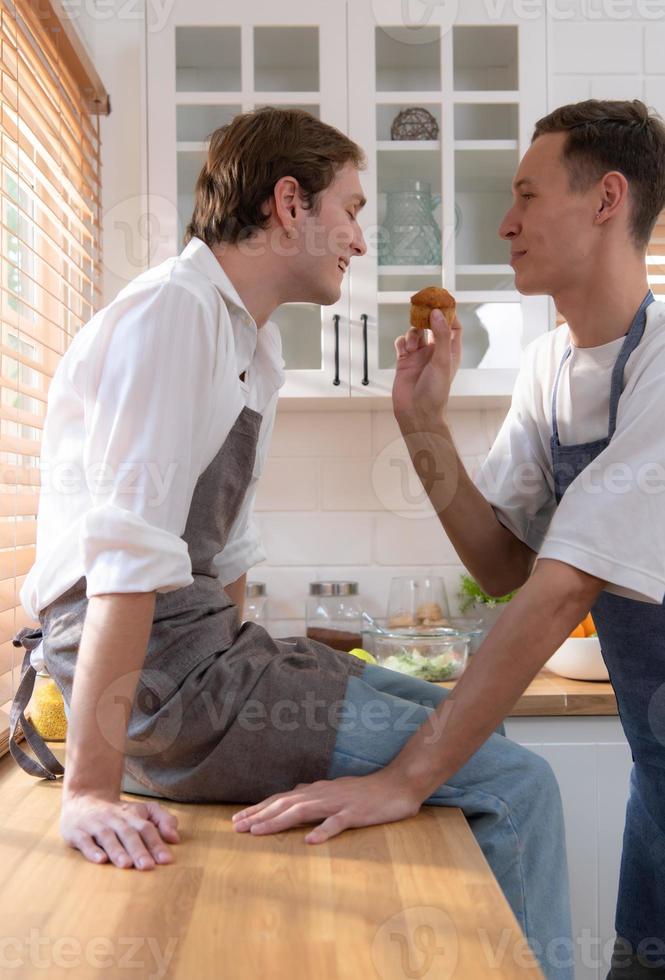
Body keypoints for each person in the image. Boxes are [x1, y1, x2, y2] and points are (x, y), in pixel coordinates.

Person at [10, 107, 573, 980]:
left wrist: (253, 687)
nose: (357, 238)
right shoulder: (173, 315)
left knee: (472, 734)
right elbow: (122, 569)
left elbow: (224, 562)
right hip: (161, 681)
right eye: (348, 209)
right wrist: (90, 789)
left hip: (204, 664)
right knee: (518, 785)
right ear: (287, 203)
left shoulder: (249, 343)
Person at [234, 100, 665, 979]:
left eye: (525, 195)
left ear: (606, 199)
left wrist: (405, 779)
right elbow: (504, 562)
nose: (504, 223)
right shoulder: (550, 365)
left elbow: (560, 589)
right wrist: (419, 422)